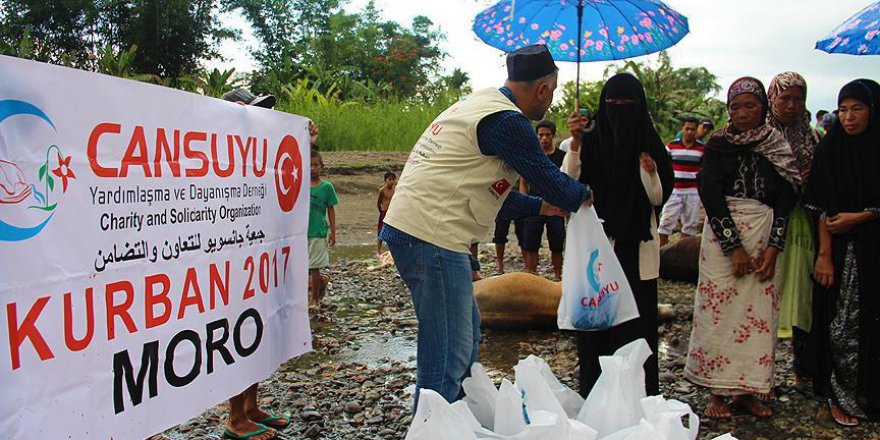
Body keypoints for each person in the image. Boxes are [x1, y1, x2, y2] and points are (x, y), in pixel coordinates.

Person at [379, 44, 592, 406]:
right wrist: (588, 197)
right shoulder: (506, 120)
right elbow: (549, 178)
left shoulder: (481, 105)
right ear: (542, 88)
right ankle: (432, 425)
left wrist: (542, 208)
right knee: (448, 350)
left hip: (429, 233)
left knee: (464, 337)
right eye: (553, 92)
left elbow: (498, 196)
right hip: (431, 237)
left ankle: (457, 418)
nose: (551, 102)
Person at [684, 77, 799, 419]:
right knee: (717, 311)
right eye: (735, 107)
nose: (742, 112)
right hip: (723, 237)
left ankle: (748, 391)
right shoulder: (718, 145)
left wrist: (774, 247)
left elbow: (787, 197)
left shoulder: (776, 144)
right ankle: (717, 392)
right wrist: (732, 246)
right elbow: (711, 194)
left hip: (764, 233)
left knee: (759, 315)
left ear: (763, 107)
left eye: (750, 105)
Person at [563, 73, 674, 398]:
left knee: (637, 328)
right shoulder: (589, 138)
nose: (619, 111)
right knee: (597, 326)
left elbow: (658, 197)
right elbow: (568, 183)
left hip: (637, 248)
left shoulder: (650, 144)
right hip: (599, 248)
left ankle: (638, 400)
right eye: (612, 105)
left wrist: (649, 172)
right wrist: (576, 142)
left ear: (639, 108)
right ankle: (595, 398)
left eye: (627, 105)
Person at [806, 79, 880, 426]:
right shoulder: (830, 150)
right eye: (843, 109)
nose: (848, 117)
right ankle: (842, 396)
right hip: (842, 252)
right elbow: (817, 204)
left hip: (874, 250)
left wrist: (865, 215)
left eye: (858, 108)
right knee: (842, 324)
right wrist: (824, 254)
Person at [219, 87, 288, 440]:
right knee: (238, 334)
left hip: (258, 256)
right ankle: (234, 417)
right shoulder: (216, 150)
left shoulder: (258, 152)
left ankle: (250, 406)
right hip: (229, 258)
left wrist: (302, 139)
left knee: (257, 332)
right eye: (243, 110)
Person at [765, 72, 820, 391]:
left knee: (802, 298)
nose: (791, 104)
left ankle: (804, 370)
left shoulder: (811, 138)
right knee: (766, 297)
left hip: (801, 228)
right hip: (768, 225)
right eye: (784, 98)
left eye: (798, 99)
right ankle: (762, 373)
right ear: (772, 98)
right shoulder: (759, 135)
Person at [521, 120, 567, 279]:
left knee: (557, 243)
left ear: (553, 136)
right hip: (534, 204)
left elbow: (568, 180)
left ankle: (558, 277)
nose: (544, 138)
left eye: (548, 135)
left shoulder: (562, 157)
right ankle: (530, 276)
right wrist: (524, 203)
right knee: (531, 243)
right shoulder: (531, 155)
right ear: (536, 136)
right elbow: (523, 180)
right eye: (541, 135)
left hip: (556, 205)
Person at [658, 116, 705, 247]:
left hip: (693, 191)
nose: (690, 132)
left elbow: (704, 170)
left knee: (690, 224)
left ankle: (682, 254)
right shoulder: (671, 147)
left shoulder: (702, 149)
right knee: (666, 222)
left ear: (696, 130)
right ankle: (660, 254)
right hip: (674, 190)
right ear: (682, 129)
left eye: (693, 129)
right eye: (687, 129)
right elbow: (663, 166)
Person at [308, 150, 338, 308]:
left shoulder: (327, 187)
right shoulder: (299, 185)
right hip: (300, 233)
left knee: (313, 266)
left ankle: (314, 299)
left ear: (321, 166)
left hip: (317, 232)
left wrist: (333, 231)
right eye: (309, 165)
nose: (312, 168)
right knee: (303, 267)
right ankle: (323, 281)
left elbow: (331, 209)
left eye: (315, 165)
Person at [491, 193, 525, 275]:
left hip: (519, 197)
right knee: (500, 232)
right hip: (503, 197)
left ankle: (527, 262)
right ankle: (499, 263)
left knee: (522, 232)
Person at [376, 171, 396, 255]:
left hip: (391, 214)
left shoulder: (395, 191)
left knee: (391, 233)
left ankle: (391, 251)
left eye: (393, 179)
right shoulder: (382, 190)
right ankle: (378, 251)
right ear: (385, 180)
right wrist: (381, 211)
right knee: (380, 232)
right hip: (384, 213)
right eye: (389, 179)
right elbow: (378, 203)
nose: (391, 181)